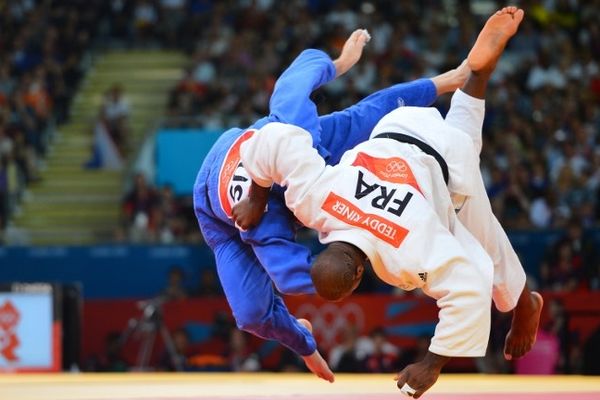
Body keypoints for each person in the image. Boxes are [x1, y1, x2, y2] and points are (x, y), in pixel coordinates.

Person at [232, 7, 542, 398]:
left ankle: (524, 301)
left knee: (483, 243)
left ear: (360, 276)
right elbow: (275, 138)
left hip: (446, 163)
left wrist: (432, 364)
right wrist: (255, 198)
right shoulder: (316, 201)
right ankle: (474, 76)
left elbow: (468, 283)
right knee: (461, 177)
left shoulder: (405, 250)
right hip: (396, 128)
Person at [193, 29, 469, 382]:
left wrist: (340, 64)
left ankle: (446, 79)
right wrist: (338, 64)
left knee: (368, 116)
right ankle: (304, 341)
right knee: (251, 315)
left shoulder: (309, 132)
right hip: (219, 211)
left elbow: (302, 79)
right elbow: (292, 276)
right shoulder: (266, 225)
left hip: (271, 160)